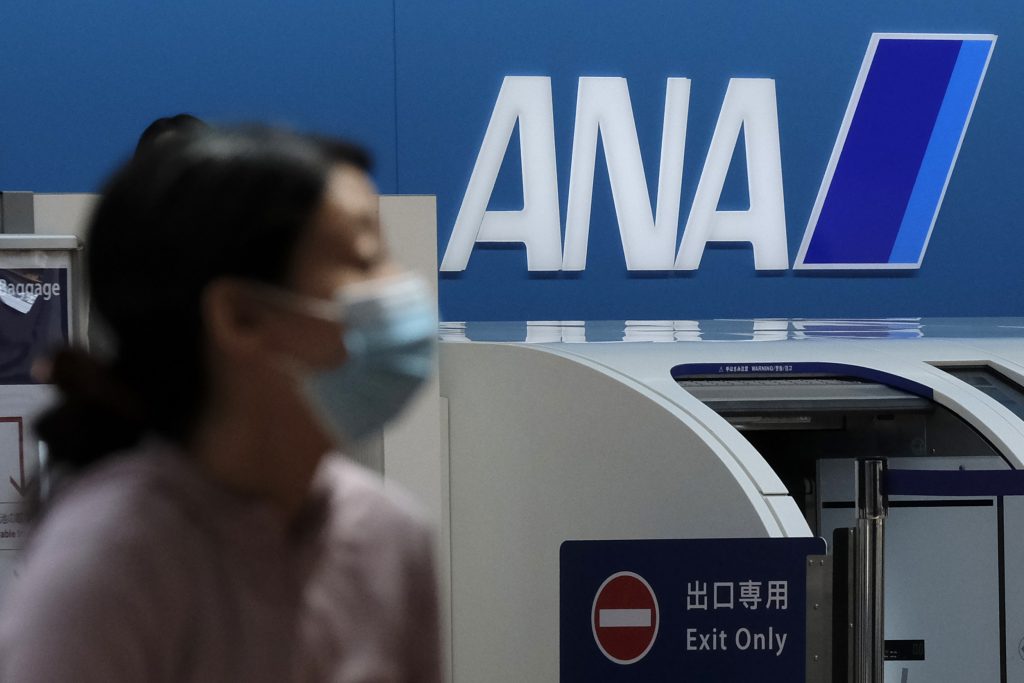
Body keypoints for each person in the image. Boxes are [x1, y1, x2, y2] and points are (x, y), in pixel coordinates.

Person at [0, 126, 442, 682]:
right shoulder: (105, 567)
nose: (400, 286)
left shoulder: (391, 539)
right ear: (239, 317)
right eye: (362, 260)